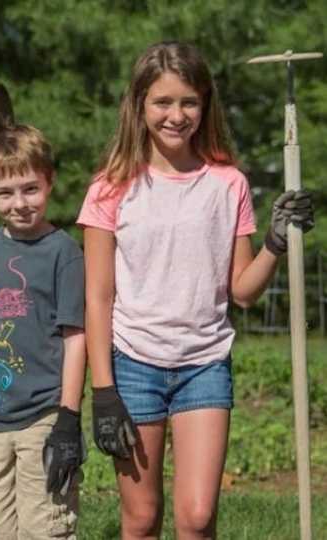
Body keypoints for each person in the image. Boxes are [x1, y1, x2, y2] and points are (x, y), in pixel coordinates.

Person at [78, 41, 315, 539]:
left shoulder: (227, 184)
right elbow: (97, 298)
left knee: (198, 517)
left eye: (189, 102)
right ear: (139, 105)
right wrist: (103, 392)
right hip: (133, 365)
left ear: (204, 105)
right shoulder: (110, 186)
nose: (176, 115)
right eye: (162, 102)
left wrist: (275, 241)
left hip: (204, 365)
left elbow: (244, 292)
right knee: (141, 519)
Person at [0, 123, 87, 539]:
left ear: (50, 181)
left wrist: (69, 417)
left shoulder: (63, 251)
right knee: (1, 530)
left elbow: (76, 337)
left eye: (31, 189)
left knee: (44, 528)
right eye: (5, 193)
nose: (20, 203)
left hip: (42, 415)